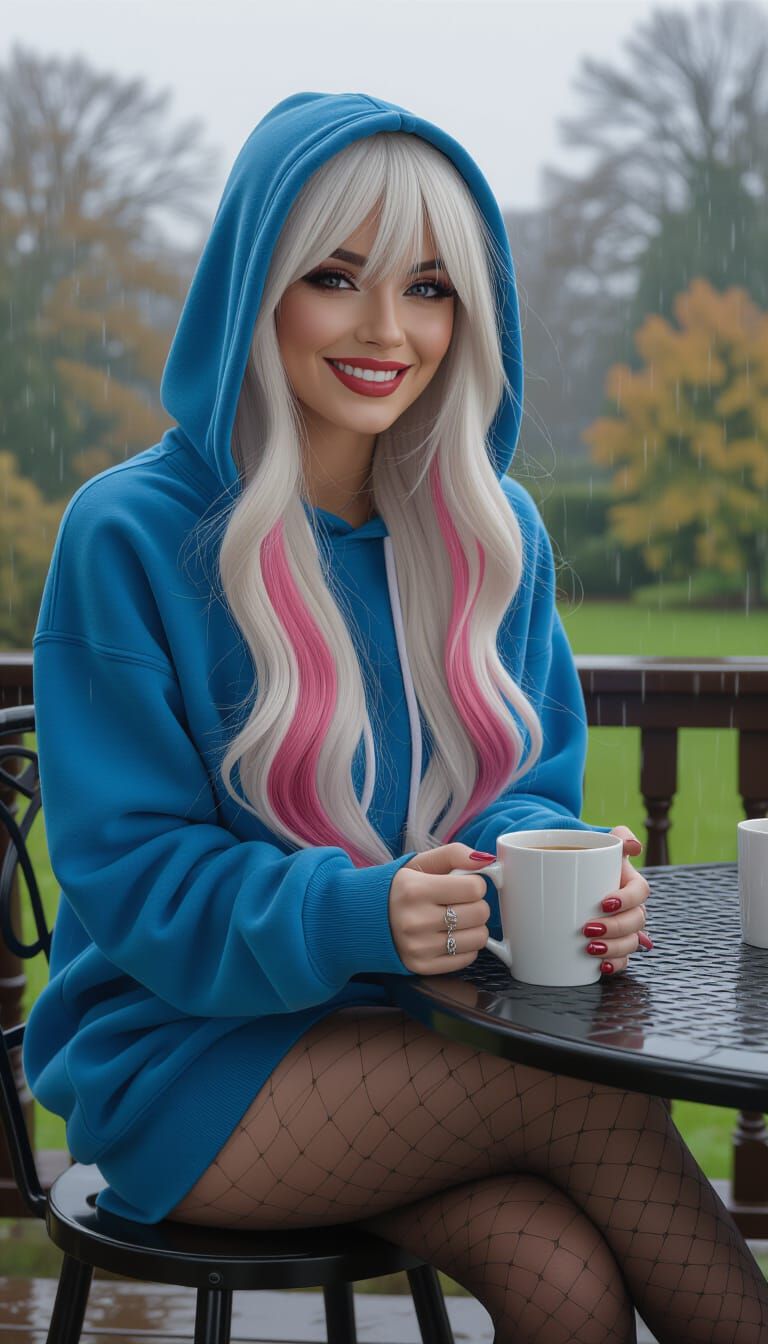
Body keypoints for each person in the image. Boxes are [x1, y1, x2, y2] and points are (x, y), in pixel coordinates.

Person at [23, 91, 768, 1344]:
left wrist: (552, 877)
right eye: (335, 277)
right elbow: (133, 875)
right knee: (588, 1098)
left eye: (429, 287)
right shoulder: (130, 534)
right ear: (256, 289)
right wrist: (360, 912)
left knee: (563, 1277)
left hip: (418, 1038)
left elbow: (525, 787)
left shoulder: (489, 526)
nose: (386, 329)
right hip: (185, 1063)